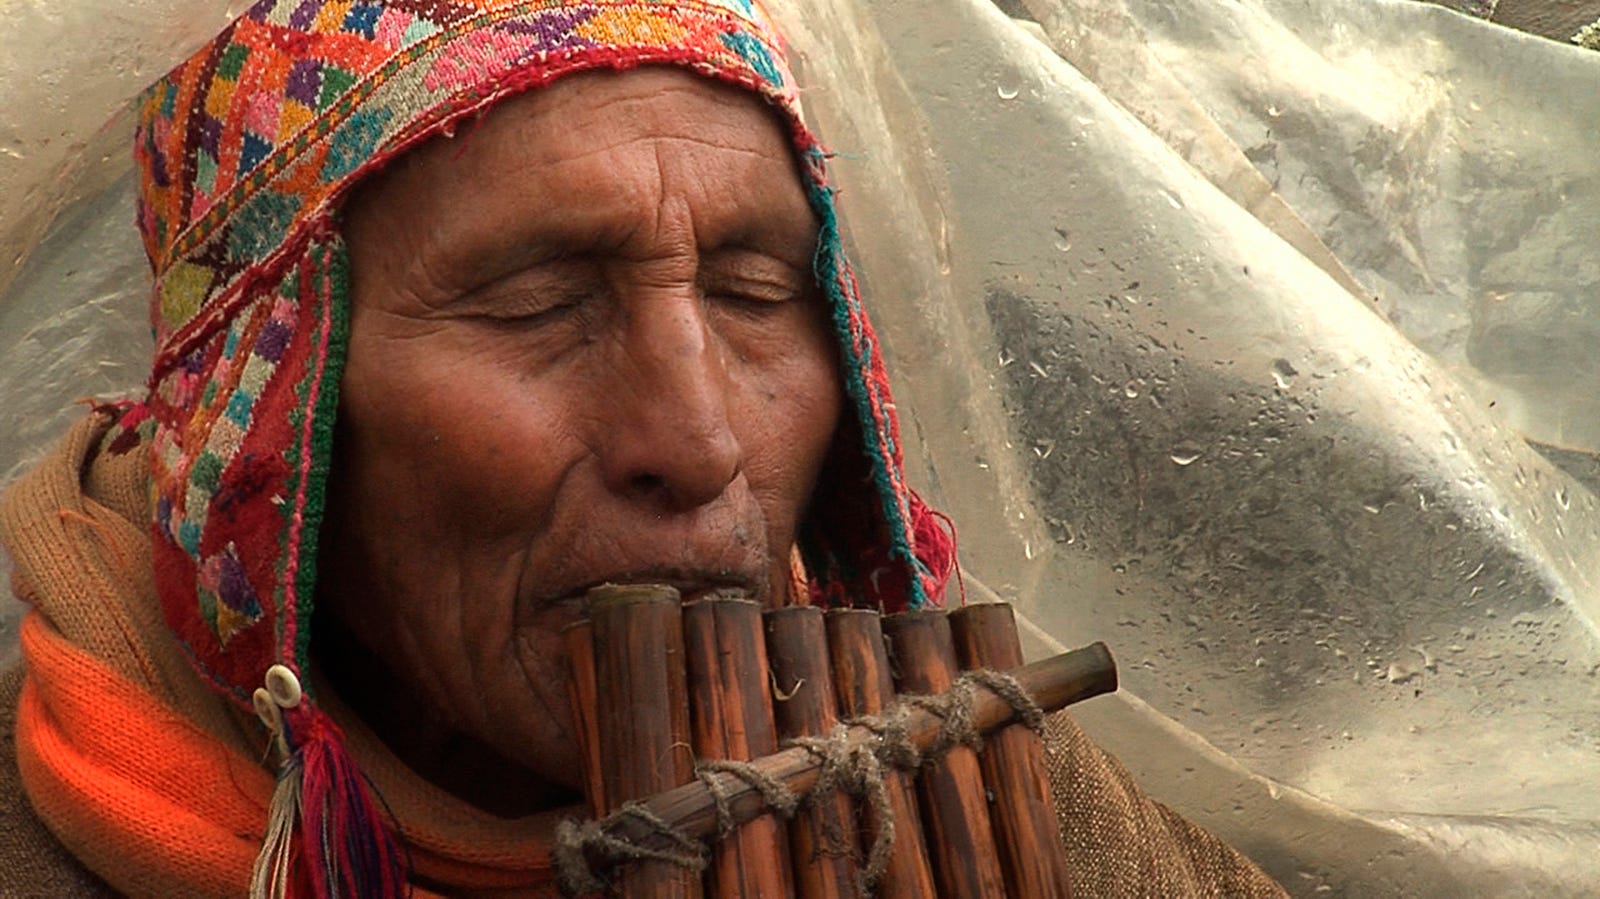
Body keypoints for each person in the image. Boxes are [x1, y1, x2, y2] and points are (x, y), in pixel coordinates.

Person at [0, 0, 1285, 895]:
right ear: (259, 422)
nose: (701, 439)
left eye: (752, 290)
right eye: (535, 301)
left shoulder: (987, 799)